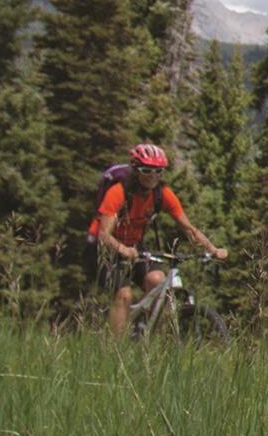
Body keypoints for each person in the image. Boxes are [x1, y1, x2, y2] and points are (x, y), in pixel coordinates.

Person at [89, 143, 227, 339]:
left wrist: (213, 249)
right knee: (124, 295)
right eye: (147, 170)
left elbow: (188, 228)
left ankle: (145, 333)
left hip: (135, 246)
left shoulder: (162, 194)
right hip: (105, 247)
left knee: (157, 280)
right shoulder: (118, 192)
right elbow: (103, 234)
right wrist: (122, 249)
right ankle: (114, 349)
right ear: (136, 171)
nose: (153, 176)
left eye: (158, 171)